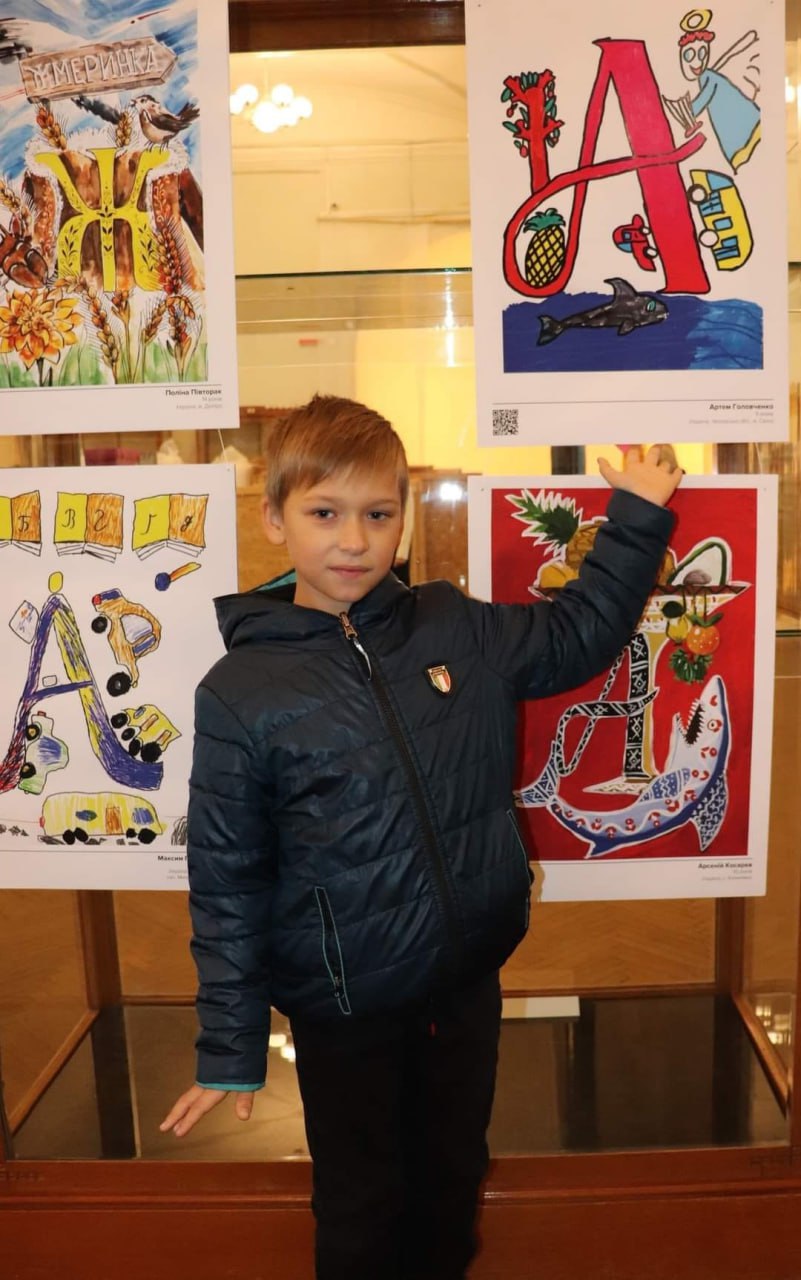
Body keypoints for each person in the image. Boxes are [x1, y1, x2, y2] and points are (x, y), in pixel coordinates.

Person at [161, 395, 681, 1280]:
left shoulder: (455, 627)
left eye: (377, 514)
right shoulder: (240, 690)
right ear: (274, 518)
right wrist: (229, 1045)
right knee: (361, 1207)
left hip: (462, 984)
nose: (353, 541)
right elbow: (227, 879)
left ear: (403, 516)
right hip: (343, 1008)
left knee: (451, 1182)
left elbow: (578, 635)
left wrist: (633, 517)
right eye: (324, 514)